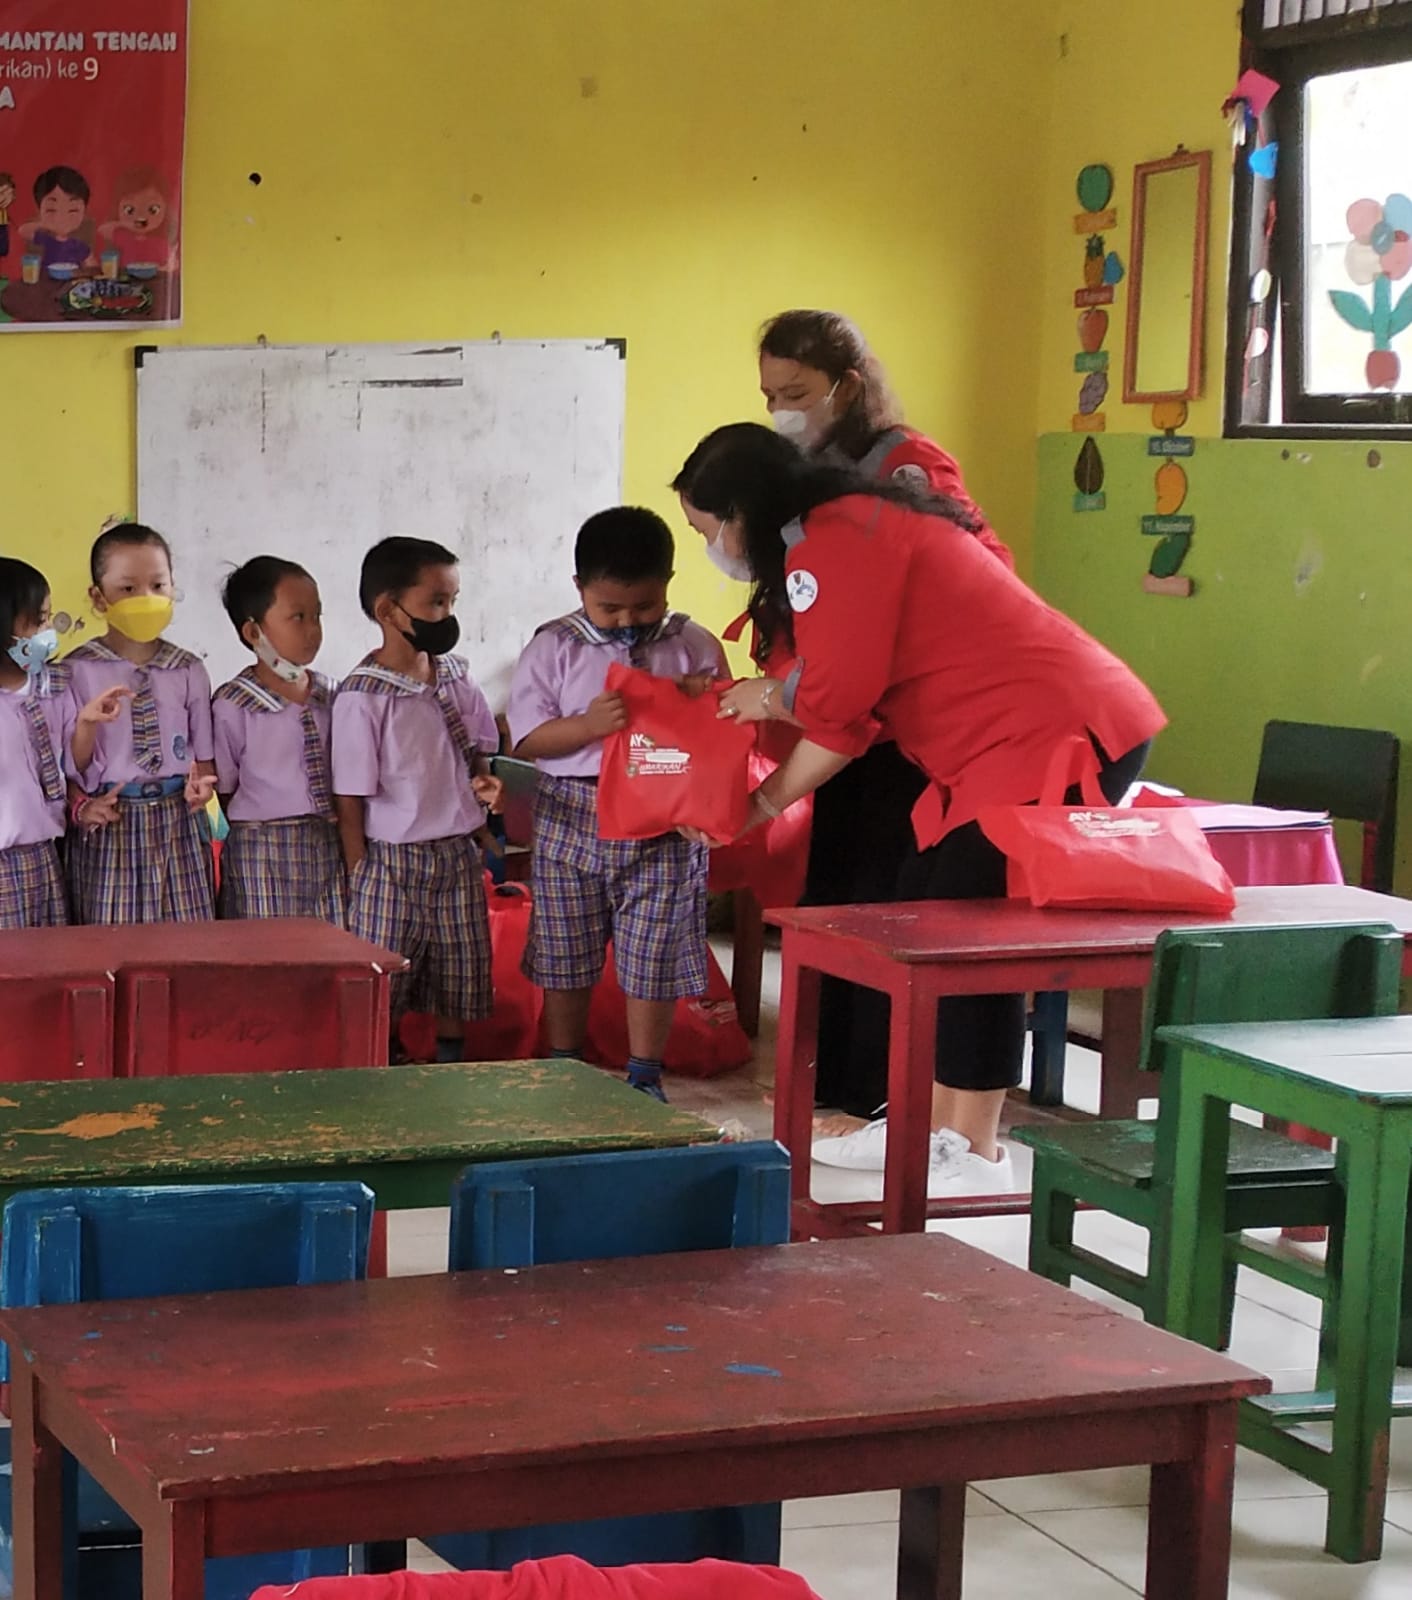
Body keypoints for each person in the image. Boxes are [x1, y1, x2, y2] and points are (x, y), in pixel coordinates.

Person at [674, 424, 1165, 1195]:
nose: (713, 547)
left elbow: (837, 702)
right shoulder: (846, 528)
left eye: (707, 530)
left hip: (1054, 733)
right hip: (1001, 744)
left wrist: (765, 719)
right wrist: (760, 803)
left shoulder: (831, 546)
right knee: (925, 909)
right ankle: (936, 1126)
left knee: (962, 931)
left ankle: (969, 1144)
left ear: (743, 509)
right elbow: (850, 717)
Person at [753, 310, 1013, 1123]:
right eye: (769, 395)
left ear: (849, 385)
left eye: (796, 392)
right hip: (853, 708)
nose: (782, 411)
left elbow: (957, 586)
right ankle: (839, 1088)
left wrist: (771, 783)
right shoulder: (816, 466)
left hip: (911, 726)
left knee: (888, 905)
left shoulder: (906, 464)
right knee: (836, 898)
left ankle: (883, 1099)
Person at [506, 507, 726, 1102]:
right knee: (565, 949)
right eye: (610, 608)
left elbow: (722, 737)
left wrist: (704, 704)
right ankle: (563, 1068)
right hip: (572, 816)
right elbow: (526, 739)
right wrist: (585, 725)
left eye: (644, 606)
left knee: (651, 953)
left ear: (668, 583)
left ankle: (645, 1075)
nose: (628, 621)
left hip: (665, 822)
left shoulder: (693, 646)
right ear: (579, 589)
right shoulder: (554, 648)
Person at [332, 536, 500, 1061]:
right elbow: (350, 796)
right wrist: (360, 868)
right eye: (435, 602)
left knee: (459, 971)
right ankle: (383, 1069)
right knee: (386, 978)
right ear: (388, 610)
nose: (447, 614)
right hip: (391, 863)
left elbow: (480, 748)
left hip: (455, 855)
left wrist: (484, 783)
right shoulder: (364, 695)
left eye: (452, 602)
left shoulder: (454, 675)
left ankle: (450, 1067)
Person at [65, 523, 219, 925]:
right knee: (110, 946)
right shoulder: (75, 670)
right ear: (98, 598)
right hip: (111, 820)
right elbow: (71, 765)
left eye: (158, 585)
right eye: (128, 589)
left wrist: (202, 792)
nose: (146, 598)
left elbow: (204, 757)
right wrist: (86, 724)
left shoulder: (188, 668)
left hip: (177, 821)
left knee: (186, 941)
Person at [213, 556, 343, 923]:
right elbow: (225, 787)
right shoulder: (233, 704)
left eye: (317, 616)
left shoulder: (333, 695)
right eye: (298, 617)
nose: (313, 630)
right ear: (253, 633)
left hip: (327, 842)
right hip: (261, 849)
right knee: (271, 954)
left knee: (330, 947)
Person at [0, 557, 128, 928]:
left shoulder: (53, 687)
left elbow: (72, 766)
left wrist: (87, 723)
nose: (47, 631)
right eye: (38, 620)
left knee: (51, 968)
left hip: (45, 857)